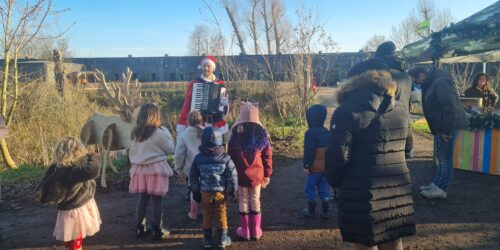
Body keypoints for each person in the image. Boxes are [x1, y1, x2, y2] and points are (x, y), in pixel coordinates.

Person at [326, 58, 416, 249]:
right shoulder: (400, 108)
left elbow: (337, 159)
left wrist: (335, 182)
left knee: (365, 242)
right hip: (396, 189)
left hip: (360, 192)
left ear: (352, 83)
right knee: (393, 238)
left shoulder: (345, 112)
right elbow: (408, 149)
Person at [408, 67, 468, 199]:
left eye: (416, 81)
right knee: (441, 157)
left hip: (447, 126)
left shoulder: (440, 82)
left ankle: (442, 188)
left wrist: (447, 131)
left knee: (445, 158)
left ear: (421, 74)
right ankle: (437, 184)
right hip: (441, 126)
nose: (416, 84)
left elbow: (449, 107)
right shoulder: (432, 82)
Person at [34, 137, 102, 250]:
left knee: (70, 236)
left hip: (67, 210)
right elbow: (93, 170)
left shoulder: (57, 168)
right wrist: (94, 157)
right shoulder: (75, 170)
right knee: (76, 238)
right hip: (77, 209)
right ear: (76, 151)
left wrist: (40, 195)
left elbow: (46, 181)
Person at [129, 103, 175, 240]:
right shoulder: (158, 133)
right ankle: (157, 230)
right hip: (155, 170)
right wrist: (166, 131)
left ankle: (140, 228)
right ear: (155, 116)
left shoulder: (136, 133)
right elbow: (170, 149)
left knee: (143, 199)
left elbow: (132, 153)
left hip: (140, 170)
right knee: (157, 201)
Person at [228, 102, 272, 241]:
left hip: (240, 176)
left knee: (243, 201)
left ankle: (246, 231)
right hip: (257, 176)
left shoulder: (234, 137)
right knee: (255, 200)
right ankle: (256, 230)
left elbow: (230, 158)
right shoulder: (262, 136)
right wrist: (267, 174)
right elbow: (267, 157)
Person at [190, 127, 238, 249]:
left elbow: (193, 176)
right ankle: (222, 240)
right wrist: (233, 191)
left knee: (207, 215)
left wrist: (195, 192)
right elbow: (233, 175)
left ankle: (207, 240)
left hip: (205, 193)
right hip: (220, 193)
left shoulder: (198, 158)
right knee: (221, 214)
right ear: (219, 140)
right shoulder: (225, 158)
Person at [374, 41, 413, 159]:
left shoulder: (384, 75)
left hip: (386, 124)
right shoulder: (406, 75)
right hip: (404, 121)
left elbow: (384, 100)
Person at [176, 55, 229, 137]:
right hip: (199, 122)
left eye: (208, 66)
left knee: (215, 146)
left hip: (215, 122)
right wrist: (182, 122)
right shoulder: (195, 83)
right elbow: (186, 105)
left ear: (213, 68)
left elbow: (223, 110)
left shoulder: (220, 84)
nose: (206, 68)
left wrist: (225, 104)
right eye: (204, 66)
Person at [301, 104, 331, 219]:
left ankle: (311, 210)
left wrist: (306, 165)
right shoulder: (326, 131)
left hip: (314, 168)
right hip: (324, 167)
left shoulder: (310, 133)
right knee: (323, 186)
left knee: (310, 187)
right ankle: (326, 211)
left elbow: (309, 151)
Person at [174, 110, 204, 220]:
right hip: (206, 167)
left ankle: (194, 212)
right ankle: (205, 211)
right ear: (201, 121)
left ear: (188, 121)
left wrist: (178, 169)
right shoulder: (206, 133)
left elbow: (179, 154)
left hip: (192, 169)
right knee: (205, 189)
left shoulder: (184, 136)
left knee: (194, 189)